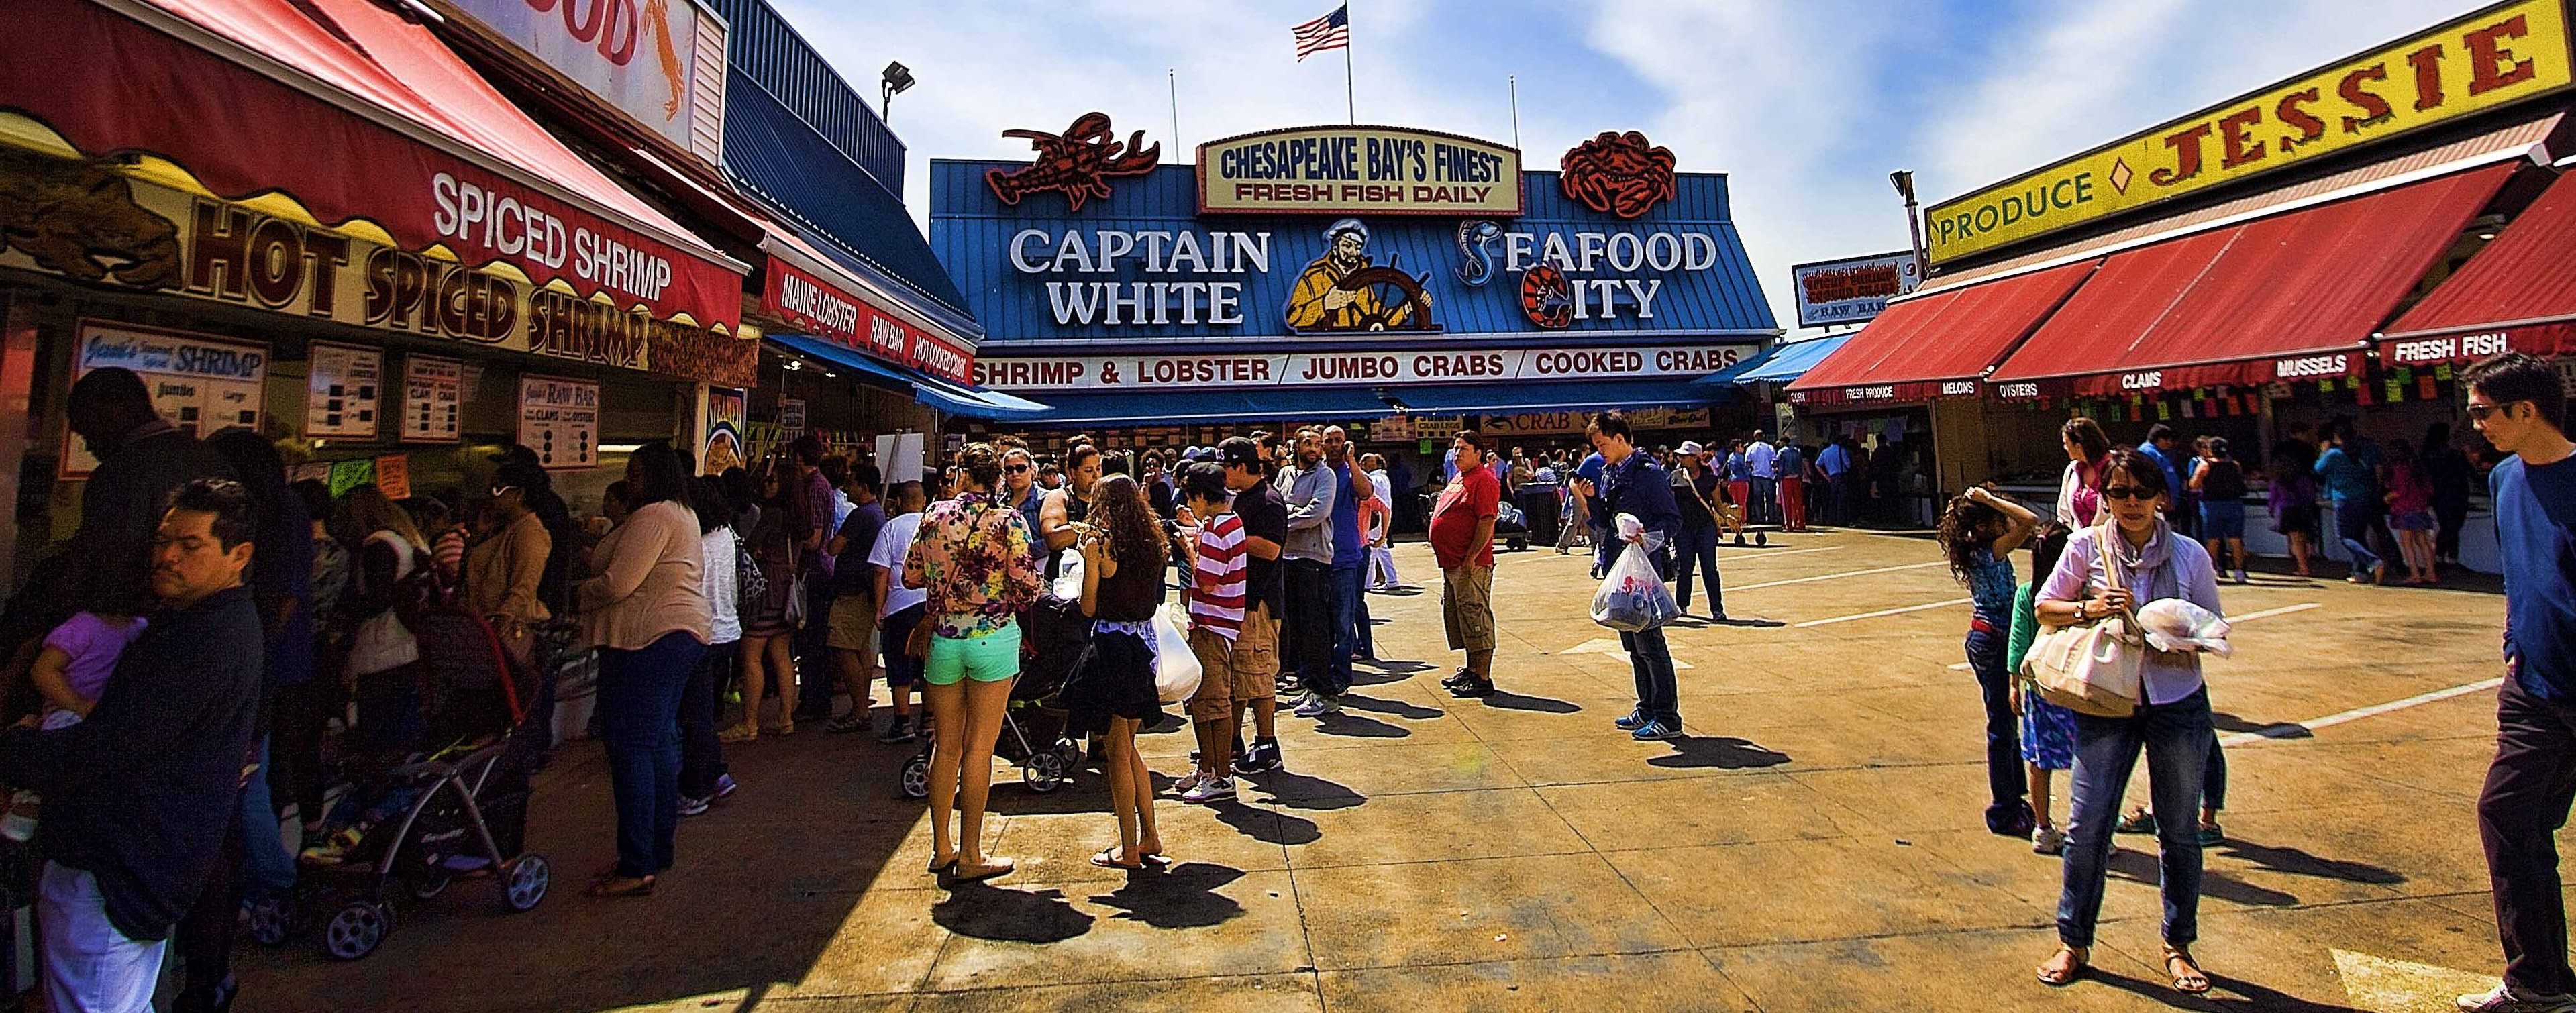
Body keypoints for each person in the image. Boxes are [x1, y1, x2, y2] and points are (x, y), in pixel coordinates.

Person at [5, 479, 262, 1013]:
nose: (167, 555)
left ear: (238, 556)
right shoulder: (199, 624)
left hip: (117, 876)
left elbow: (107, 748)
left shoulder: (207, 640)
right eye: (163, 540)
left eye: (189, 546)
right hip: (133, 870)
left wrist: (18, 748)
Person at [2034, 447, 2223, 996]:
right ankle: (2073, 940)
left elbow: (2214, 625)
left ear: (2161, 495)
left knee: (2180, 830)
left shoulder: (2188, 556)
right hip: (2107, 703)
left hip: (2177, 700)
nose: (2132, 503)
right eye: (2120, 494)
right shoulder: (2084, 547)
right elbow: (2046, 606)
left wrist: (2181, 635)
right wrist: (2090, 608)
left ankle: (2177, 945)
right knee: (2088, 826)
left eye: (2142, 492)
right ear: (2106, 499)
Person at [2460, 352, 2576, 1013]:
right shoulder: (2504, 477)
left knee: (2522, 826)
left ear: (2524, 410)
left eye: (2481, 412)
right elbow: (2517, 573)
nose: (2473, 424)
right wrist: (2512, 647)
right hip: (2533, 692)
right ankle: (2538, 981)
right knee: (2509, 819)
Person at [904, 444, 1042, 886]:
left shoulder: (932, 517)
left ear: (960, 475)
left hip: (944, 639)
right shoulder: (1008, 521)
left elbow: (910, 576)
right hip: (994, 639)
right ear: (998, 479)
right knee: (979, 750)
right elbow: (1027, 587)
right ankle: (971, 854)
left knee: (946, 748)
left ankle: (940, 847)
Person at [580, 442, 709, 898]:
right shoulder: (680, 514)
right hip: (673, 636)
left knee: (633, 747)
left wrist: (576, 593)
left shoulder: (656, 516)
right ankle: (654, 851)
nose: (630, 481)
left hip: (650, 638)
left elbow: (619, 583)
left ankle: (637, 861)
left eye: (636, 473)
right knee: (653, 744)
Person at [1058, 474, 1169, 862]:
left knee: (1118, 751)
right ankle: (1150, 836)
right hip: (1145, 645)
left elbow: (1088, 606)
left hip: (1113, 648)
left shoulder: (1102, 546)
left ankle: (1129, 849)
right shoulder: (1152, 543)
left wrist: (1090, 559)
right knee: (1130, 747)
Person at [1939, 486, 2039, 839]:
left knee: (2007, 725)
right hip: (1991, 642)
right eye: (1995, 520)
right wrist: (1990, 501)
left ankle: (2014, 797)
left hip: (1991, 640)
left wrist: (1988, 504)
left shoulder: (1981, 547)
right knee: (2001, 728)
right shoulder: (1989, 551)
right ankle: (2003, 808)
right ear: (1982, 527)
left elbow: (2017, 522)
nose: (2003, 523)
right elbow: (2029, 520)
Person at [1588, 412, 1686, 741]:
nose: (1599, 451)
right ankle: (1646, 707)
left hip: (1643, 573)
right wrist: (1588, 500)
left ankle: (1667, 716)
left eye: (1602, 444)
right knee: (1631, 642)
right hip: (1619, 568)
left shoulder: (1648, 474)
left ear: (1620, 439)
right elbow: (1603, 521)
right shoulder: (1609, 473)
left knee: (1651, 644)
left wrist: (1648, 536)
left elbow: (1672, 520)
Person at [338, 485, 431, 755]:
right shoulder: (406, 540)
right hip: (407, 645)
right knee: (401, 734)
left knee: (379, 738)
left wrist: (344, 608)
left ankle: (389, 792)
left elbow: (377, 600)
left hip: (383, 649)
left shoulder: (379, 546)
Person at [1218, 438, 1288, 776]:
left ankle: (1267, 744)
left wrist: (1228, 538)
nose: (1223, 475)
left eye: (1226, 467)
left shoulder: (1268, 501)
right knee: (1240, 678)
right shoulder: (1243, 500)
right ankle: (1232, 741)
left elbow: (1272, 549)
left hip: (1259, 604)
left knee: (1258, 676)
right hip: (1241, 602)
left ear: (1242, 466)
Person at [2008, 525, 2078, 855]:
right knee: (2087, 761)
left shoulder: (2027, 593)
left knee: (2040, 759)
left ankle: (2043, 827)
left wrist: (2013, 684)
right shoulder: (2081, 595)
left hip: (2041, 687)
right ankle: (2090, 832)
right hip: (2076, 688)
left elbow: (2018, 643)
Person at [678, 476, 740, 815]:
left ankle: (696, 788)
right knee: (701, 711)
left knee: (695, 716)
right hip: (727, 630)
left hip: (702, 633)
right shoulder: (727, 536)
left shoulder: (694, 543)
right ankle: (717, 774)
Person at [728, 461, 803, 741]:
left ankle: (749, 723)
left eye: (772, 480)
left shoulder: (772, 515)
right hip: (786, 591)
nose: (766, 484)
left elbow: (748, 545)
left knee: (751, 655)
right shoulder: (797, 515)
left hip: (767, 590)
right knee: (782, 656)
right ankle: (786, 718)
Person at [464, 459, 554, 668]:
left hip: (507, 635)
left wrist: (498, 627)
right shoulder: (503, 529)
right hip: (484, 630)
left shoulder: (529, 532)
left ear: (519, 495)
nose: (490, 496)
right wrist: (478, 536)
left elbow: (523, 588)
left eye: (497, 489)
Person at [1432, 431, 1502, 698]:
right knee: (1461, 619)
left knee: (1476, 618)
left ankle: (1482, 677)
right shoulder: (1460, 477)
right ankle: (1472, 671)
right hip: (1452, 563)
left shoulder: (1484, 479)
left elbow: (1486, 521)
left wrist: (1472, 556)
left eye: (1463, 448)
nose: (1457, 453)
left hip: (1470, 565)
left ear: (1478, 453)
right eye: (1455, 449)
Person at [1281, 429, 1342, 716]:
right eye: (1309, 443)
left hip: (1314, 560)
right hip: (1287, 558)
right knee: (1298, 630)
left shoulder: (1325, 475)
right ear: (1296, 446)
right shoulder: (1286, 474)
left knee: (1316, 629)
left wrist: (1286, 521)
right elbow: (1280, 506)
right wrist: (1292, 514)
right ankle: (1309, 686)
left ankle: (1325, 693)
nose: (1315, 449)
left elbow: (1317, 512)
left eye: (1319, 444)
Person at [823, 465, 886, 733]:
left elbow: (834, 547)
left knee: (844, 647)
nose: (848, 487)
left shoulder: (862, 515)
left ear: (863, 485)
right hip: (864, 588)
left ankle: (860, 710)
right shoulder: (877, 513)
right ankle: (860, 708)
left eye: (852, 482)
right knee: (859, 650)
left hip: (853, 591)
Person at [868, 481, 931, 743]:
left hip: (900, 605)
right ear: (923, 499)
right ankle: (929, 720)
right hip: (930, 604)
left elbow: (881, 571)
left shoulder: (891, 528)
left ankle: (902, 722)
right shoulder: (934, 524)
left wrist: (879, 608)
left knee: (899, 664)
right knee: (928, 664)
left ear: (899, 503)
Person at [787, 437, 839, 727]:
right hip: (815, 570)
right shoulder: (813, 486)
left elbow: (815, 539)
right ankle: (814, 698)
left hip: (815, 572)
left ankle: (816, 701)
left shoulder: (816, 488)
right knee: (811, 641)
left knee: (813, 640)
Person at [1322, 427, 1372, 669]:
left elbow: (1365, 493)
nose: (1333, 445)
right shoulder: (1318, 474)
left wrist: (1352, 460)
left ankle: (1341, 673)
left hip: (1345, 558)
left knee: (1344, 622)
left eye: (1338, 441)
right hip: (1317, 557)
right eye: (1328, 441)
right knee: (1320, 623)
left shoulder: (1350, 473)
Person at [2317, 422, 2388, 584]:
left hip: (2343, 500)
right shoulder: (2358, 453)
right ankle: (2359, 572)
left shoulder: (2333, 454)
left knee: (2345, 536)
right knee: (2358, 536)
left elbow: (2318, 469)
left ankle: (2374, 561)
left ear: (2337, 438)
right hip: (2363, 499)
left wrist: (2323, 452)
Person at [1668, 441, 1727, 620]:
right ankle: (1682, 605)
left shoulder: (1710, 478)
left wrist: (1728, 517)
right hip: (1683, 530)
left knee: (1710, 569)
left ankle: (1717, 610)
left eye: (1685, 456)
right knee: (1685, 569)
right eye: (1680, 456)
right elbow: (1668, 502)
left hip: (1705, 528)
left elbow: (1717, 504)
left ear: (1696, 458)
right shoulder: (1675, 477)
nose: (1681, 458)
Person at [2190, 437, 2249, 584]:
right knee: (2236, 540)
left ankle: (2211, 572)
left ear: (2210, 450)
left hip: (2212, 506)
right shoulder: (2235, 465)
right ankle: (2240, 572)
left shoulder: (2205, 466)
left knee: (2213, 540)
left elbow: (2194, 485)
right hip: (2234, 504)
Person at [2385, 439, 2439, 585]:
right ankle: (2431, 573)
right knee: (2422, 541)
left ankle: (2415, 574)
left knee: (2407, 543)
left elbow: (2402, 490)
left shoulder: (2399, 468)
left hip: (2404, 509)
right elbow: (2429, 489)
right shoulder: (2417, 467)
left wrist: (2389, 496)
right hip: (2420, 507)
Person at [2423, 421, 2475, 568]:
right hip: (2456, 494)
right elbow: (2469, 471)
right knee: (2453, 526)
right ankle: (2448, 557)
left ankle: (2443, 556)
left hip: (2439, 495)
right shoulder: (2454, 455)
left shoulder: (2428, 453)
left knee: (2448, 525)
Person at [2267, 443, 2321, 578]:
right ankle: (2303, 565)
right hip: (2302, 510)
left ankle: (2303, 567)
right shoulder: (2303, 479)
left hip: (2287, 512)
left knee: (2294, 541)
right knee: (2302, 539)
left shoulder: (2278, 481)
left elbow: (2273, 498)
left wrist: (2271, 511)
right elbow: (2310, 495)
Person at [2055, 418, 2111, 529]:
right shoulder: (2072, 471)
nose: (2065, 448)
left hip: (2112, 541)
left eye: (2066, 443)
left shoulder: (2114, 468)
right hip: (2081, 541)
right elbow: (2063, 512)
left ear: (2079, 447)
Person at [2139, 424, 2190, 536]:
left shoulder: (2161, 453)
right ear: (2159, 439)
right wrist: (2163, 497)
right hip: (2160, 503)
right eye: (2168, 440)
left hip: (2169, 502)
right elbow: (2150, 479)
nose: (2170, 444)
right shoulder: (2147, 453)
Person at [1363, 453, 1402, 591]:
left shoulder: (1372, 479)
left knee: (1372, 550)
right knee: (1382, 549)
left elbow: (1371, 499)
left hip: (1375, 518)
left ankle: (1367, 583)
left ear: (1367, 464)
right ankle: (1392, 580)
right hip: (1384, 517)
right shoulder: (1383, 477)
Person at [1746, 430, 1778, 526]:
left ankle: (1760, 518)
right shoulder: (1770, 448)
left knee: (1758, 499)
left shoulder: (1750, 448)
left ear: (1755, 437)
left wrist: (1754, 467)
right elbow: (1775, 462)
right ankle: (1771, 518)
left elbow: (1747, 463)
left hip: (1756, 476)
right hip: (1768, 476)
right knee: (1770, 499)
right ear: (1763, 436)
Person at [1775, 439, 1808, 531]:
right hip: (1797, 478)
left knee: (1786, 503)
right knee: (1799, 502)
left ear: (1783, 442)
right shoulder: (1798, 451)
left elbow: (1781, 467)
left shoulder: (1782, 452)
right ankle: (1801, 523)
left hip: (1786, 479)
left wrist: (1779, 478)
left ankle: (1788, 525)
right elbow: (1800, 466)